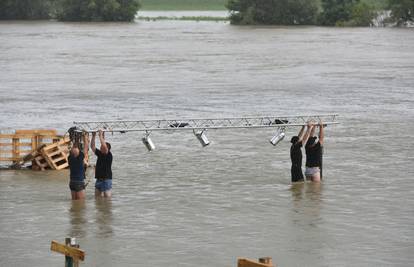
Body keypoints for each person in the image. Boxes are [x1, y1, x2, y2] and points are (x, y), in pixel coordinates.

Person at [91, 130, 113, 198]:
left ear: (107, 149)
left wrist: (100, 136)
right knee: (97, 200)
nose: (100, 148)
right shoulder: (100, 154)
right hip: (98, 180)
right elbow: (92, 147)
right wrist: (93, 136)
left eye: (102, 147)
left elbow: (104, 147)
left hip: (106, 180)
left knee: (107, 200)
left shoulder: (109, 155)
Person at [68, 133, 89, 200]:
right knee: (81, 203)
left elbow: (72, 150)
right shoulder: (80, 158)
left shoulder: (70, 158)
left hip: (72, 182)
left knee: (74, 201)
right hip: (79, 182)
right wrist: (85, 138)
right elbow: (86, 148)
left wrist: (75, 141)